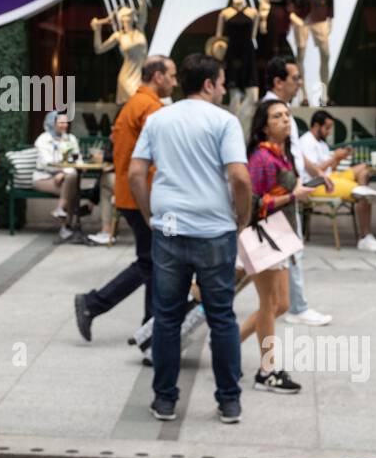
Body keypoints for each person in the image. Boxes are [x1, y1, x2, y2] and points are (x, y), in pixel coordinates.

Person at [128, 54, 252, 425]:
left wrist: (150, 217)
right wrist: (241, 219)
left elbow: (136, 173)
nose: (225, 89)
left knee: (166, 317)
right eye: (223, 82)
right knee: (222, 318)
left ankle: (165, 401)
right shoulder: (224, 122)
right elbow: (240, 178)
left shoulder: (158, 118)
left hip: (167, 229)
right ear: (209, 84)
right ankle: (229, 401)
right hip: (215, 230)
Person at [74, 56, 176, 339]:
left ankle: (147, 328)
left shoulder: (136, 104)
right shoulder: (150, 108)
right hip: (142, 196)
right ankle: (94, 304)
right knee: (151, 262)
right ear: (158, 76)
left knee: (152, 263)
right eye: (172, 75)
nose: (175, 82)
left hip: (132, 194)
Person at [241, 98, 316, 393]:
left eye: (287, 115)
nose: (286, 120)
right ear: (264, 127)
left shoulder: (282, 155)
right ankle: (267, 371)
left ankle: (229, 348)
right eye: (277, 116)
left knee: (281, 304)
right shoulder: (261, 158)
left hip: (279, 234)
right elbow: (253, 203)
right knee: (269, 304)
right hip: (262, 234)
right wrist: (293, 195)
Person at [262, 56, 331, 327]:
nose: (300, 83)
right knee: (285, 251)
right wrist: (291, 187)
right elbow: (270, 155)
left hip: (286, 192)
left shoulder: (279, 109)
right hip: (281, 195)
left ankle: (291, 304)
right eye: (295, 78)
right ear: (279, 82)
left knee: (274, 255)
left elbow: (294, 152)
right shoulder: (272, 111)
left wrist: (316, 173)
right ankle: (296, 306)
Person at [296, 109, 376, 252]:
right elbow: (314, 171)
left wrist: (340, 157)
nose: (329, 132)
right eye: (327, 128)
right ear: (316, 126)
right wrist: (334, 157)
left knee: (364, 169)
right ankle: (365, 236)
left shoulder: (322, 144)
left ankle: (362, 193)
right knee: (362, 192)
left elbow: (330, 169)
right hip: (316, 184)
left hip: (331, 178)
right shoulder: (307, 142)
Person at [33, 110, 82, 237]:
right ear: (52, 123)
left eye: (66, 122)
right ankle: (67, 226)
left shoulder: (71, 139)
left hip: (65, 178)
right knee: (72, 188)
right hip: (44, 178)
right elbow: (47, 162)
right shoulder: (43, 140)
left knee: (71, 179)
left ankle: (62, 212)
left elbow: (78, 159)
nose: (64, 125)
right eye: (61, 122)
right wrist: (63, 172)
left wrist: (64, 173)